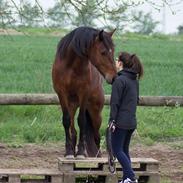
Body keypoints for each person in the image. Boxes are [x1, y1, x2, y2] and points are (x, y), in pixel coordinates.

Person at [108, 51, 144, 183]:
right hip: (131, 122)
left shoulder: (119, 80)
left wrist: (112, 120)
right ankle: (126, 179)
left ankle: (131, 177)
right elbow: (135, 101)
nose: (115, 62)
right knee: (124, 150)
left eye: (117, 60)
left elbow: (115, 103)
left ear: (121, 63)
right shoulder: (134, 80)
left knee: (117, 150)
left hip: (120, 122)